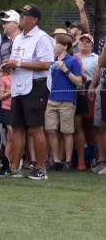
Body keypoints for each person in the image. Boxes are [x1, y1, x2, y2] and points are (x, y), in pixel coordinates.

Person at [0, 4, 54, 180]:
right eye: (21, 15)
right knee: (16, 128)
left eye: (24, 16)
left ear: (34, 20)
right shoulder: (18, 39)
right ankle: (14, 167)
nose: (21, 18)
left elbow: (46, 64)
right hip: (19, 86)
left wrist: (18, 64)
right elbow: (17, 62)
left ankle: (40, 168)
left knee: (35, 128)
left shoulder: (42, 38)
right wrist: (9, 66)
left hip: (36, 85)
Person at [45, 29, 82, 171]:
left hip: (67, 100)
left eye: (56, 43)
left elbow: (79, 81)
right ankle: (56, 160)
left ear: (65, 46)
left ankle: (67, 161)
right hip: (51, 99)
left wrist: (65, 69)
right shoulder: (51, 61)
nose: (54, 46)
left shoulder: (73, 61)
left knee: (67, 131)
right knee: (51, 130)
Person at [0, 9, 22, 176]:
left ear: (17, 23)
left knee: (14, 130)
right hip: (4, 88)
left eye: (7, 21)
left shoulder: (22, 41)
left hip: (19, 90)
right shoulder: (5, 44)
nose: (3, 24)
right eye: (3, 21)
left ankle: (14, 165)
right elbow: (1, 68)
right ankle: (8, 163)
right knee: (7, 131)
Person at [75, 33, 98, 171]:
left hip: (90, 92)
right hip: (75, 93)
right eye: (82, 40)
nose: (84, 43)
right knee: (77, 127)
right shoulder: (72, 57)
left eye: (87, 41)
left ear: (92, 44)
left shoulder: (96, 59)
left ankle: (95, 156)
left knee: (91, 126)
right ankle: (80, 159)